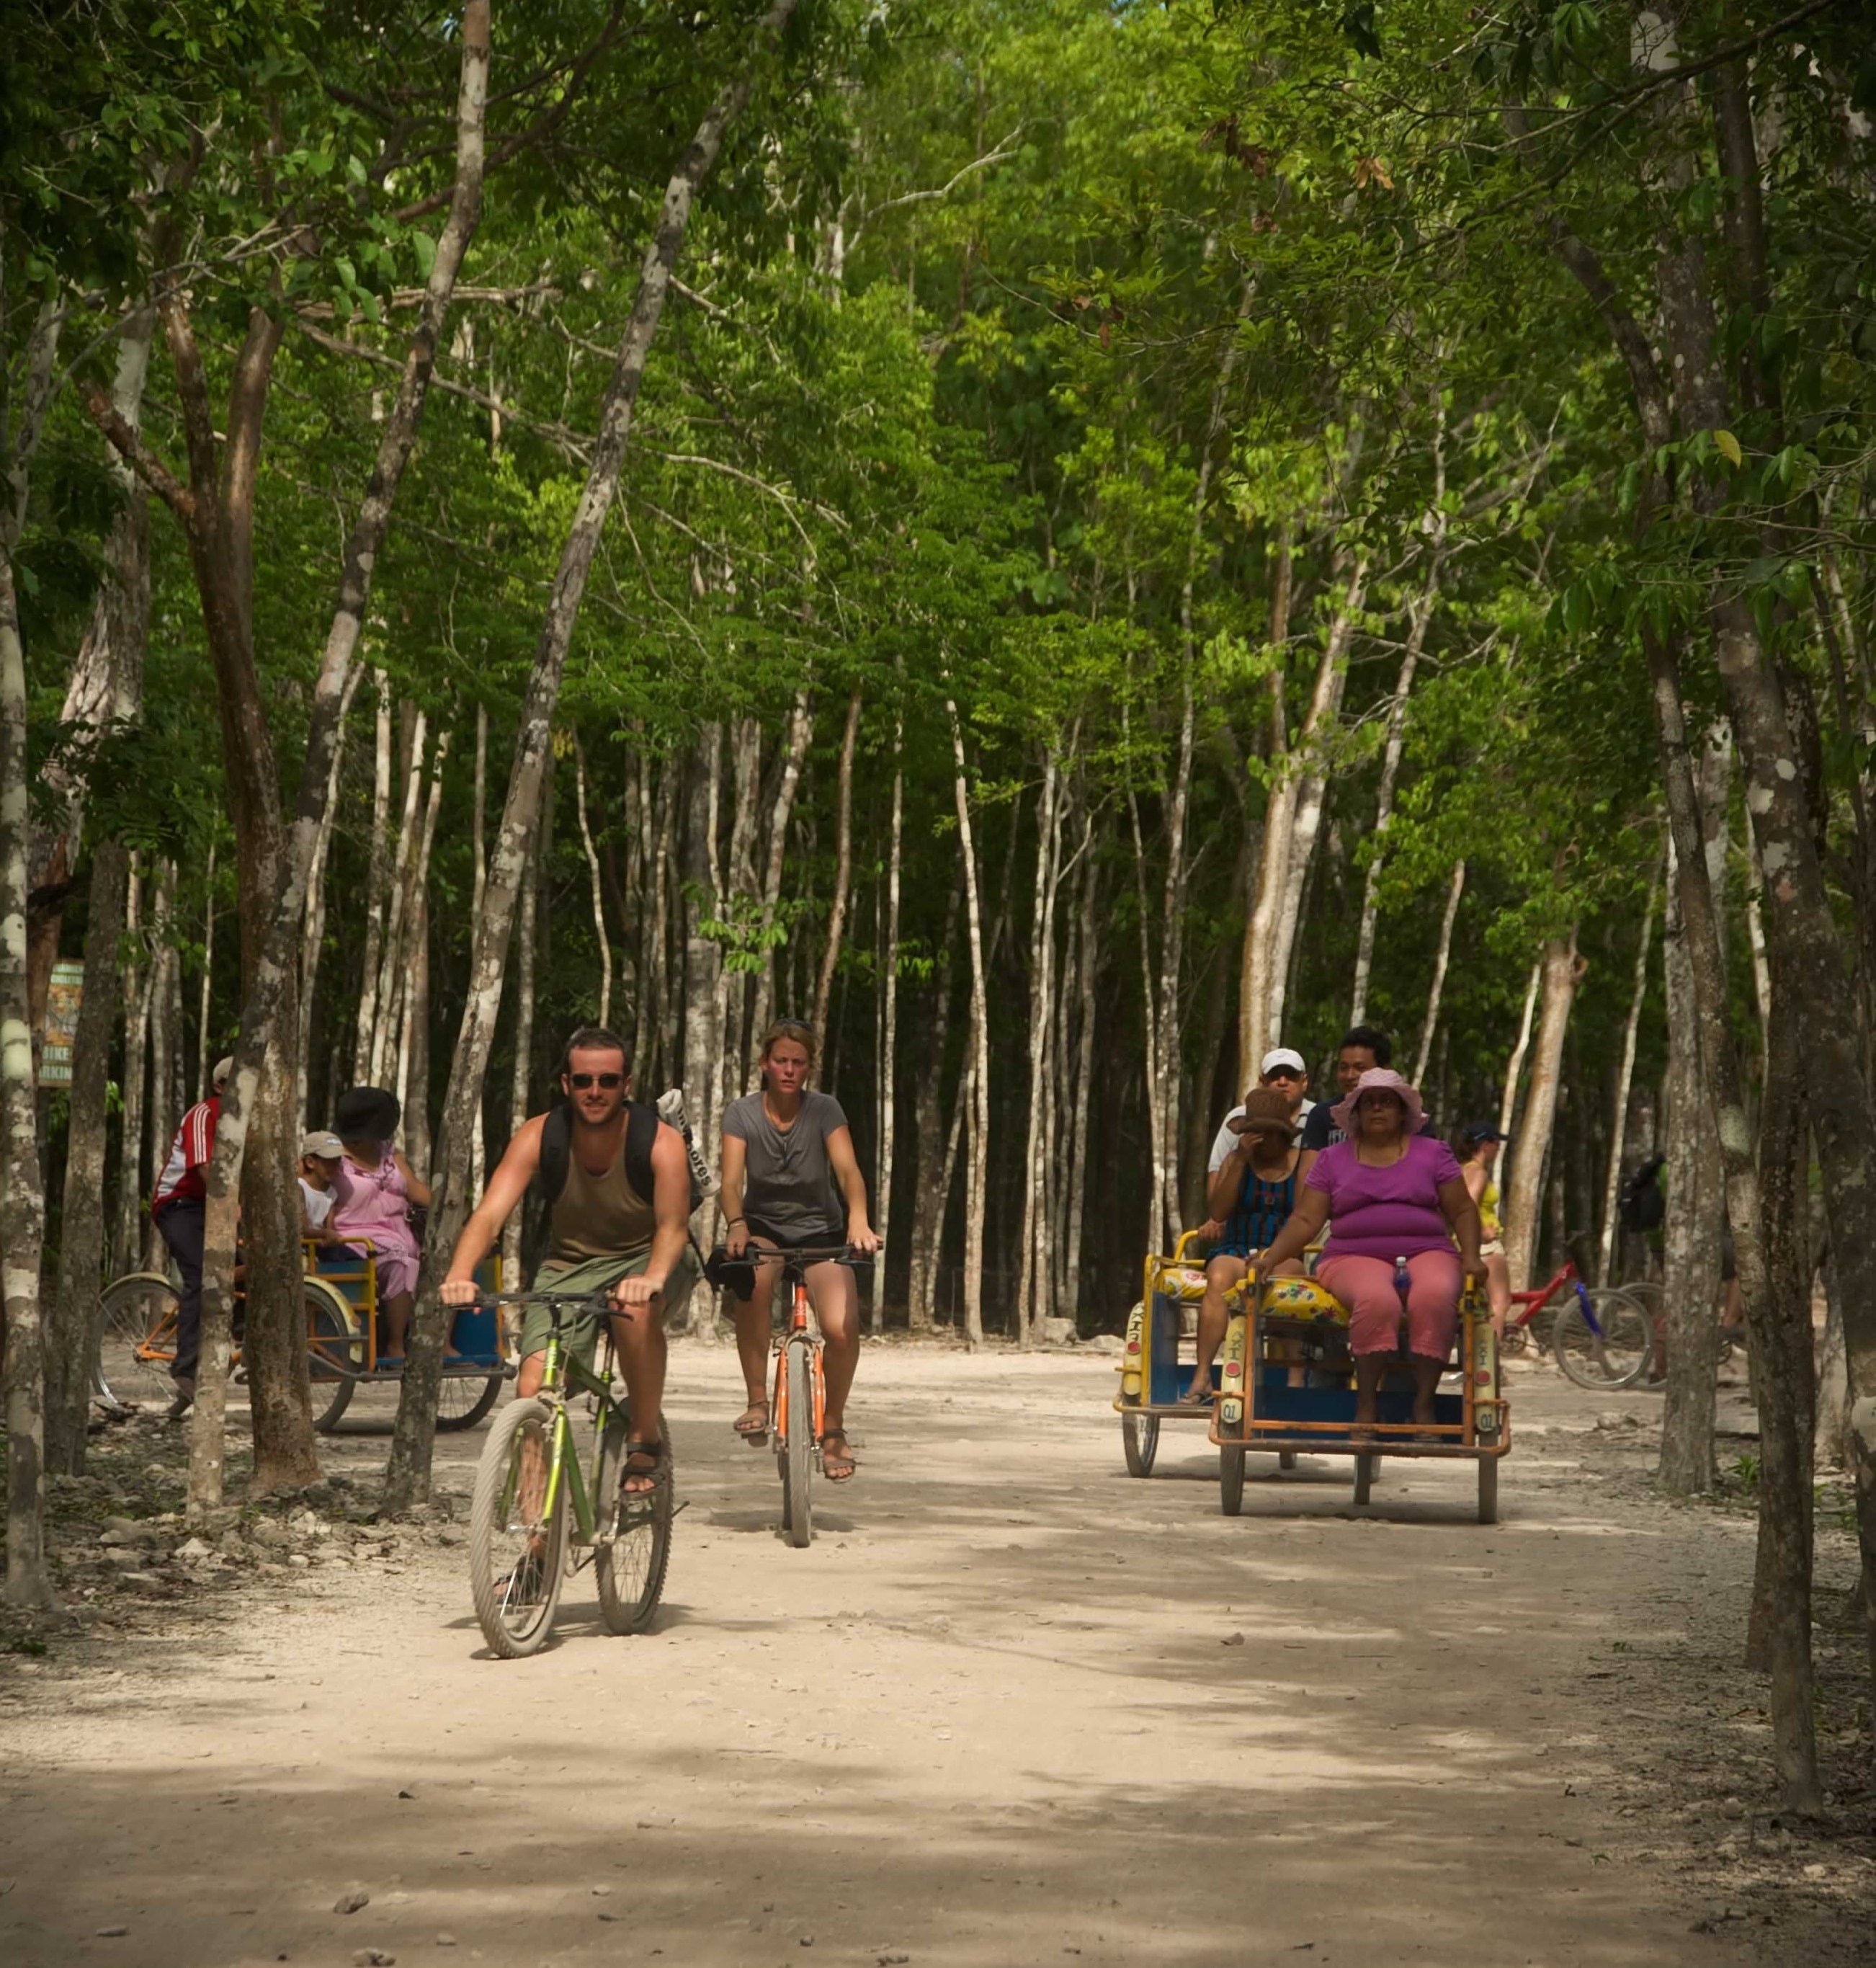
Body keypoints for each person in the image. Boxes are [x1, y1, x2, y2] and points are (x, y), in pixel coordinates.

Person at [441, 1026, 696, 1497]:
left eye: (607, 1080)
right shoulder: (541, 1135)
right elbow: (489, 1214)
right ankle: (536, 1550)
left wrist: (653, 1277)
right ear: (565, 1084)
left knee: (634, 1309)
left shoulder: (659, 1142)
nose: (595, 1091)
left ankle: (645, 1436)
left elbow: (672, 1226)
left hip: (646, 1257)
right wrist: (460, 1273)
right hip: (568, 1266)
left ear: (627, 1084)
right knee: (532, 1389)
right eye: (583, 1081)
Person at [1259, 1067, 1482, 1440]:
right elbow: (1305, 1218)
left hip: (1428, 1248)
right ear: (1357, 1113)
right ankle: (1366, 1404)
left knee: (1437, 1295)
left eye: (1387, 1102)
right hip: (1351, 1253)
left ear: (1402, 1111)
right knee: (1378, 1301)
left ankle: (1423, 1404)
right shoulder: (1332, 1159)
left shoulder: (1434, 1153)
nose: (1378, 1109)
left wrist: (1472, 1257)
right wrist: (1270, 1257)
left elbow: (1462, 1210)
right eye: (1370, 1102)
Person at [718, 1019, 880, 1481]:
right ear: (765, 1064)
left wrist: (858, 1219)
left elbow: (848, 1171)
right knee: (752, 1283)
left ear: (809, 1067)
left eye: (798, 1062)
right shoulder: (741, 1113)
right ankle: (756, 1399)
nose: (789, 1069)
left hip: (821, 1232)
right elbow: (730, 1182)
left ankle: (833, 1429)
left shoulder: (824, 1109)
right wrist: (736, 1224)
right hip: (763, 1227)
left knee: (842, 1326)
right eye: (781, 1060)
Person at [1183, 1088, 1306, 1402]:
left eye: (1271, 1134)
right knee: (1220, 1277)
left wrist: (1275, 1255)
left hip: (1281, 1252)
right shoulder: (1235, 1160)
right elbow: (1218, 1211)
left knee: (1291, 1280)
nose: (1264, 1141)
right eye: (1257, 1133)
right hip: (1237, 1249)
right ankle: (1202, 1377)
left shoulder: (1302, 1163)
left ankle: (1294, 1378)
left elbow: (1306, 1215)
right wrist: (1241, 1160)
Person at [149, 1055, 233, 1419]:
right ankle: (185, 1368)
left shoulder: (255, 1123)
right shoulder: (204, 1113)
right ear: (220, 1086)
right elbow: (204, 1168)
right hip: (181, 1204)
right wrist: (235, 1205)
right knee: (201, 1275)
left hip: (220, 1204)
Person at [330, 1086, 432, 1362]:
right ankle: (396, 1345)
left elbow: (416, 1191)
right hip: (355, 1237)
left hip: (403, 1232)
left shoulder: (389, 1152)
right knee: (402, 1262)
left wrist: (452, 1211)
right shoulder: (331, 1155)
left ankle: (441, 1343)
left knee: (442, 1260)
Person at [1296, 1025, 1434, 1183]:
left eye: (1359, 1068)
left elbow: (1429, 1170)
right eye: (1343, 1068)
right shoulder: (1322, 1115)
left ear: (1385, 1070)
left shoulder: (1411, 1115)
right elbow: (1307, 1175)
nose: (1349, 1076)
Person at [1206, 1047, 1313, 1178]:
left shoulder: (1319, 1117)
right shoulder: (1238, 1118)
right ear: (1262, 1082)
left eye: (1291, 1075)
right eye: (1274, 1076)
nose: (1282, 1082)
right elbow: (1215, 1180)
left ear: (1304, 1082)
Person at [1455, 1123, 1511, 1336]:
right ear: (1486, 1145)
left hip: (1463, 1241)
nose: (1498, 1149)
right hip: (1484, 1246)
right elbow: (1469, 1203)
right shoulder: (1478, 1172)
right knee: (1500, 1303)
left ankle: (1476, 1355)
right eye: (1496, 1143)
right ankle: (1491, 1359)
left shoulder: (1462, 1169)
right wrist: (1482, 1233)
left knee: (1475, 1305)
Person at [298, 1130, 345, 1242]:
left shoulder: (332, 1193)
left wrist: (329, 1237)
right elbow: (301, 1230)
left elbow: (328, 1227)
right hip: (302, 1246)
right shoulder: (299, 1188)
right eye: (329, 1161)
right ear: (310, 1162)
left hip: (318, 1245)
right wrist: (326, 1234)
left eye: (338, 1160)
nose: (335, 1166)